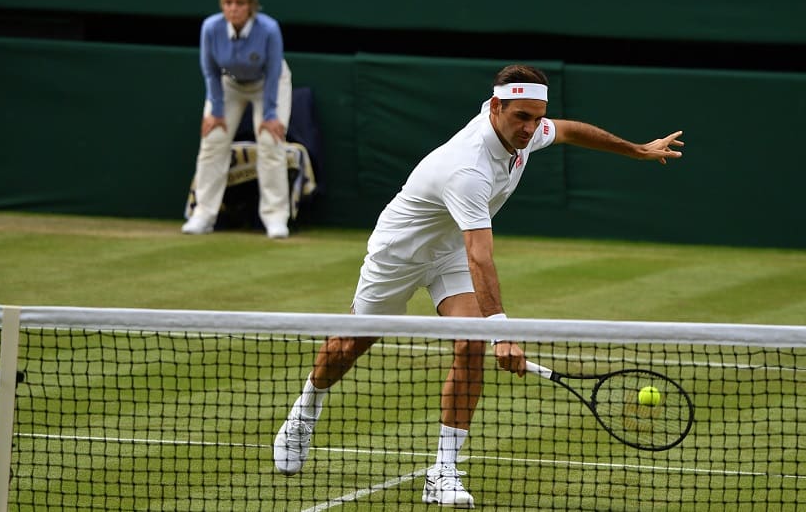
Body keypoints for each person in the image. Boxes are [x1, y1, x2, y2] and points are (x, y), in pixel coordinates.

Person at [272, 64, 684, 507]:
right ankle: (305, 411)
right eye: (520, 117)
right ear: (495, 107)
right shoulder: (468, 167)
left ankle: (442, 472)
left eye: (535, 116)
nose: (530, 128)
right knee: (350, 346)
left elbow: (567, 131)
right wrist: (504, 333)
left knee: (470, 342)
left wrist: (636, 150)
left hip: (449, 250)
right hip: (400, 251)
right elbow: (481, 256)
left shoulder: (528, 129)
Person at [182, 0, 294, 238]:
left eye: (239, 3)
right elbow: (210, 71)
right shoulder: (211, 28)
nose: (233, 8)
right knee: (213, 139)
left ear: (251, 6)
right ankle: (203, 215)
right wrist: (217, 111)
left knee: (270, 141)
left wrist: (269, 114)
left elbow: (274, 68)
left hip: (270, 82)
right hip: (228, 84)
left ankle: (276, 218)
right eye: (228, 2)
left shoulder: (268, 29)